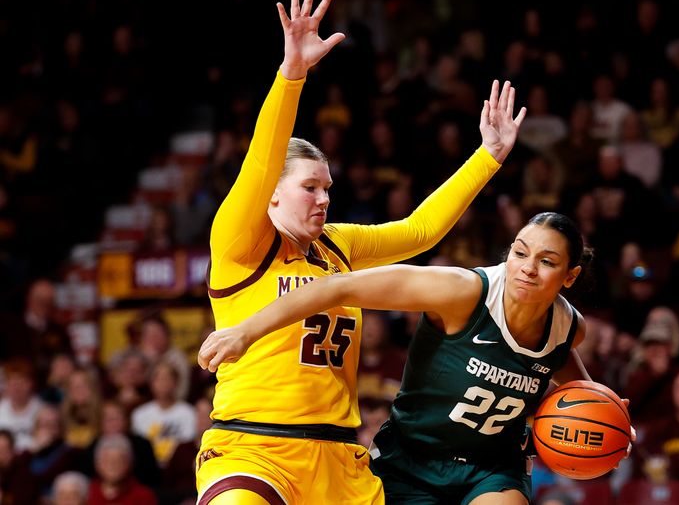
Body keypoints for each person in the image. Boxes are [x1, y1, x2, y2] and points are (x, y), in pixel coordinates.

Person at [195, 0, 527, 505]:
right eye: (310, 187)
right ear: (272, 197)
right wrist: (292, 76)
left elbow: (419, 232)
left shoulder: (337, 245)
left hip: (340, 460)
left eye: (328, 187)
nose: (324, 199)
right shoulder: (240, 242)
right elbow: (262, 159)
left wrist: (487, 157)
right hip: (253, 449)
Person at [200, 212, 624, 504]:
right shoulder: (459, 292)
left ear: (569, 276)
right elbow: (337, 288)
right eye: (519, 252)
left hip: (493, 465)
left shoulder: (568, 329)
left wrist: (611, 418)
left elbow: (578, 393)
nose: (527, 268)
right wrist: (245, 330)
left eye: (546, 261)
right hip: (413, 459)